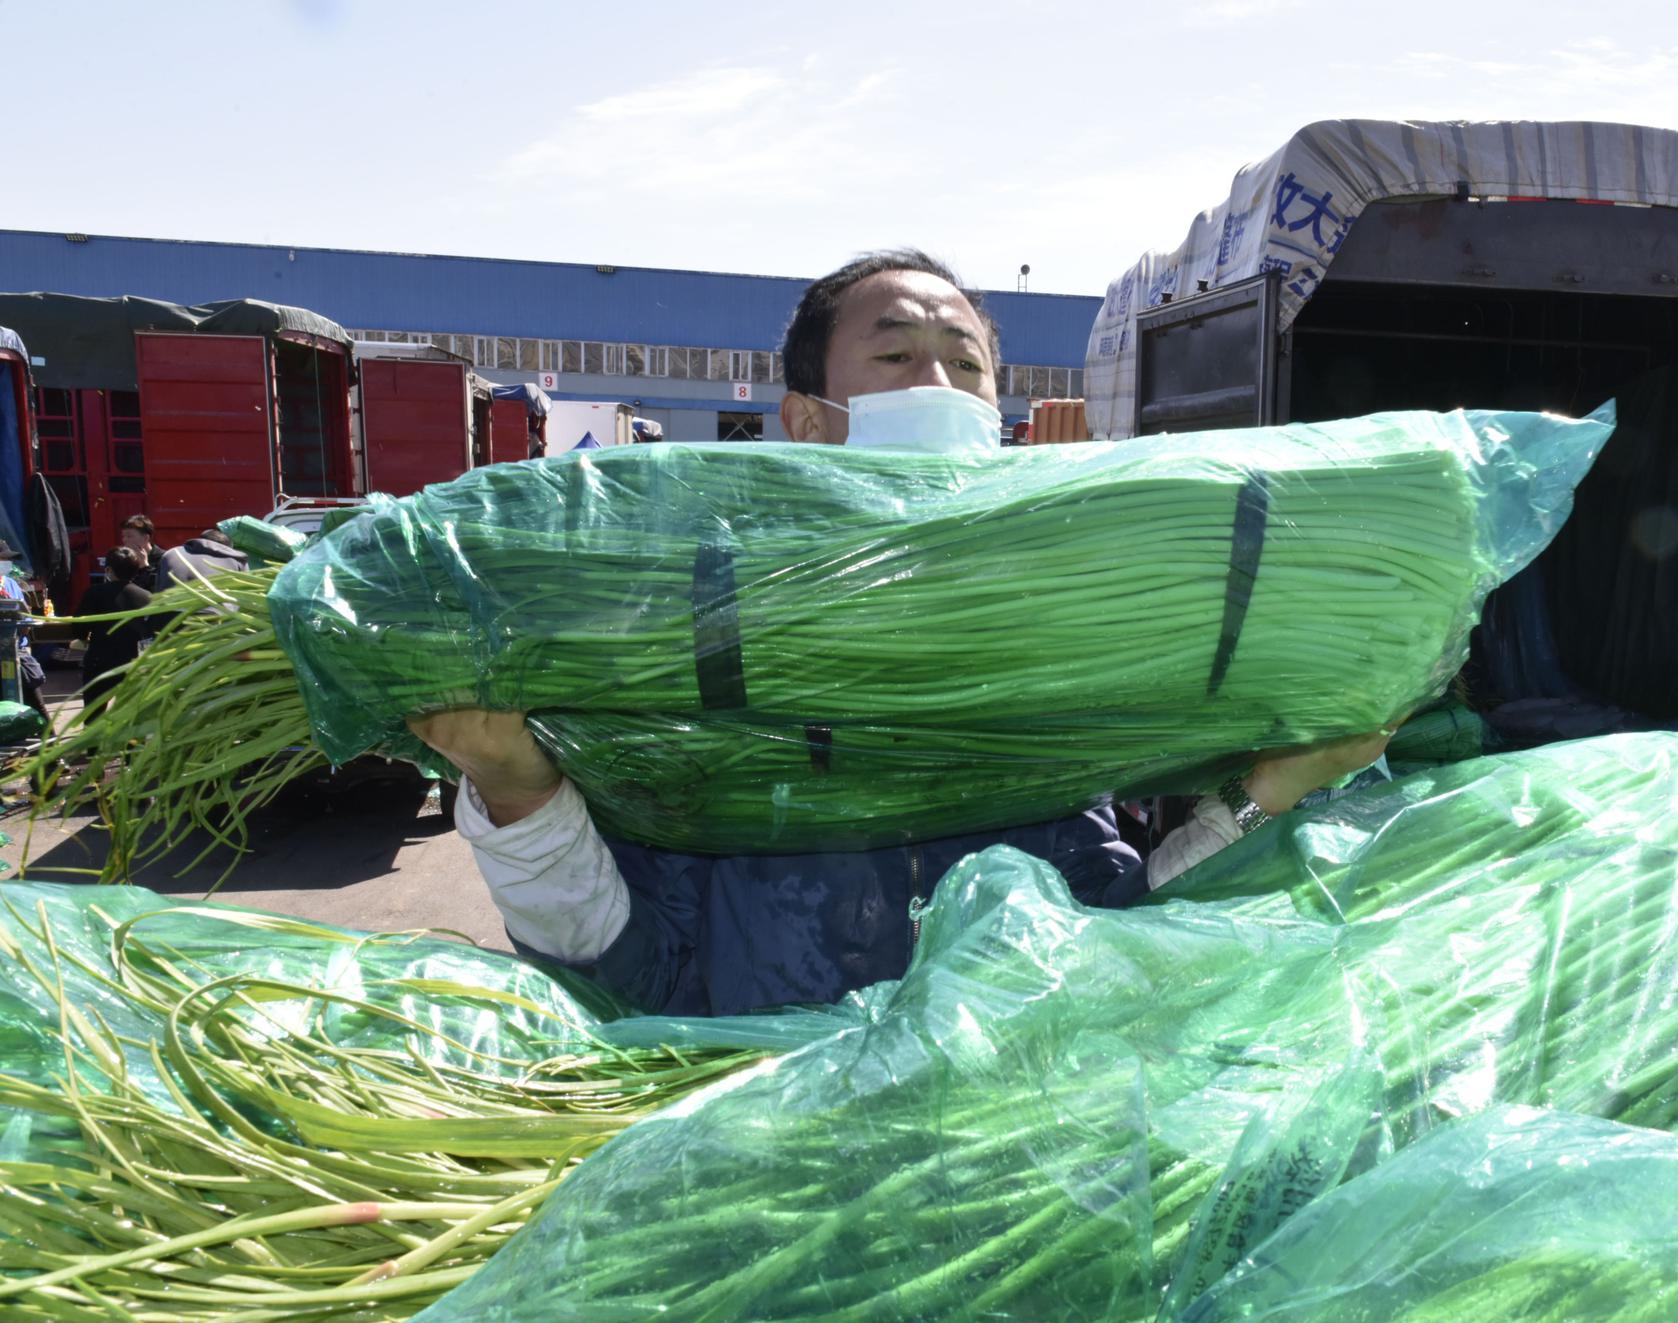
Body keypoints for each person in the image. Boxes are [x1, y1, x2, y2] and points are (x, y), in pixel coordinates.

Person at [411, 249, 1395, 1017]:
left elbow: (1117, 943)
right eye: (894, 356)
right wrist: (516, 786)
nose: (936, 381)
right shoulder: (700, 647)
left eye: (963, 366)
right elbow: (626, 966)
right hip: (773, 1165)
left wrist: (1266, 798)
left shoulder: (1055, 664)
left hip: (1013, 1174)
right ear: (808, 418)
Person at [76, 546, 157, 709]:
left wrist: (83, 638)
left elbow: (80, 626)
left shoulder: (95, 592)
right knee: (131, 712)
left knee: (93, 713)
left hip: (100, 660)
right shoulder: (147, 597)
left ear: (108, 570)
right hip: (134, 663)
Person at [0, 541, 48, 721]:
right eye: (2, 559)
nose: (6, 563)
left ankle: (48, 737)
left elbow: (25, 616)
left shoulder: (11, 584)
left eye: (7, 559)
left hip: (16, 652)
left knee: (34, 696)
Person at [157, 527, 249, 588]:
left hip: (169, 613)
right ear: (228, 549)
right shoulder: (238, 560)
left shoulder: (172, 553)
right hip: (219, 614)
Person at [119, 515, 166, 592]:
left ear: (146, 538)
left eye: (129, 536)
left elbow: (159, 590)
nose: (124, 540)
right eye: (123, 536)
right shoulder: (126, 559)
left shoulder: (163, 559)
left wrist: (145, 567)